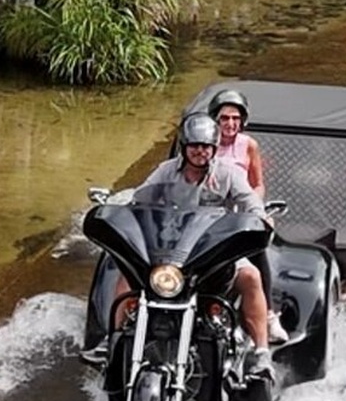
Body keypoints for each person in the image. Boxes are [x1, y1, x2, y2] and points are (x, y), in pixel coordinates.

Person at [85, 113, 275, 377]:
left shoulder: (228, 174)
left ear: (214, 148)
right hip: (170, 248)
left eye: (206, 146)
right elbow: (140, 198)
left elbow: (250, 203)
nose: (200, 152)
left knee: (251, 275)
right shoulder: (166, 170)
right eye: (194, 146)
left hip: (211, 250)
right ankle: (113, 339)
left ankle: (262, 352)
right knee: (128, 272)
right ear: (184, 146)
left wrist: (262, 217)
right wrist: (119, 211)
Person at [207, 89, 289, 344]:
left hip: (239, 215)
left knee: (258, 252)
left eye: (235, 118)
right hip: (208, 215)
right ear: (215, 120)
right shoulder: (203, 143)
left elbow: (258, 184)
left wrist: (257, 211)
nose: (230, 124)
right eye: (224, 118)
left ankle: (269, 316)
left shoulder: (249, 145)